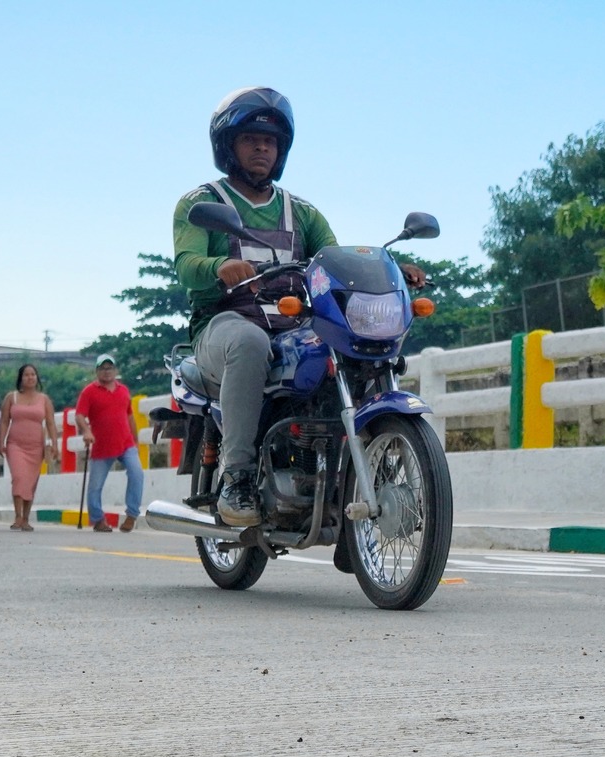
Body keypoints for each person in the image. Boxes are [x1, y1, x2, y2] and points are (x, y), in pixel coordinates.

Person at [173, 88, 417, 527]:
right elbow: (187, 266)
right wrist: (218, 265)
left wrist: (394, 269)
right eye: (251, 138)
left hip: (292, 323)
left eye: (272, 141)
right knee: (248, 343)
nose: (263, 147)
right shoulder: (201, 203)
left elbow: (337, 263)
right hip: (225, 323)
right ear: (229, 145)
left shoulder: (302, 212)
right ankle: (239, 477)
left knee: (348, 348)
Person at [74, 354, 144, 532]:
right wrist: (86, 431)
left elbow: (129, 415)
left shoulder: (123, 390)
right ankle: (98, 519)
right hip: (102, 444)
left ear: (115, 370)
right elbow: (79, 415)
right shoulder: (89, 391)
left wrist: (135, 438)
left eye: (110, 368)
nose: (107, 372)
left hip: (126, 442)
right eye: (103, 368)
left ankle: (132, 514)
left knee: (137, 474)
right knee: (95, 485)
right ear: (97, 371)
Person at [0, 363, 58, 532]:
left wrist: (54, 444)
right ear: (20, 378)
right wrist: (0, 441)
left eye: (33, 374)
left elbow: (51, 423)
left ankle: (26, 518)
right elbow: (4, 421)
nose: (30, 377)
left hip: (36, 446)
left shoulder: (44, 399)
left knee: (31, 482)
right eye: (26, 375)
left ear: (37, 378)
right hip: (15, 445)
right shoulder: (12, 397)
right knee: (19, 477)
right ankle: (17, 516)